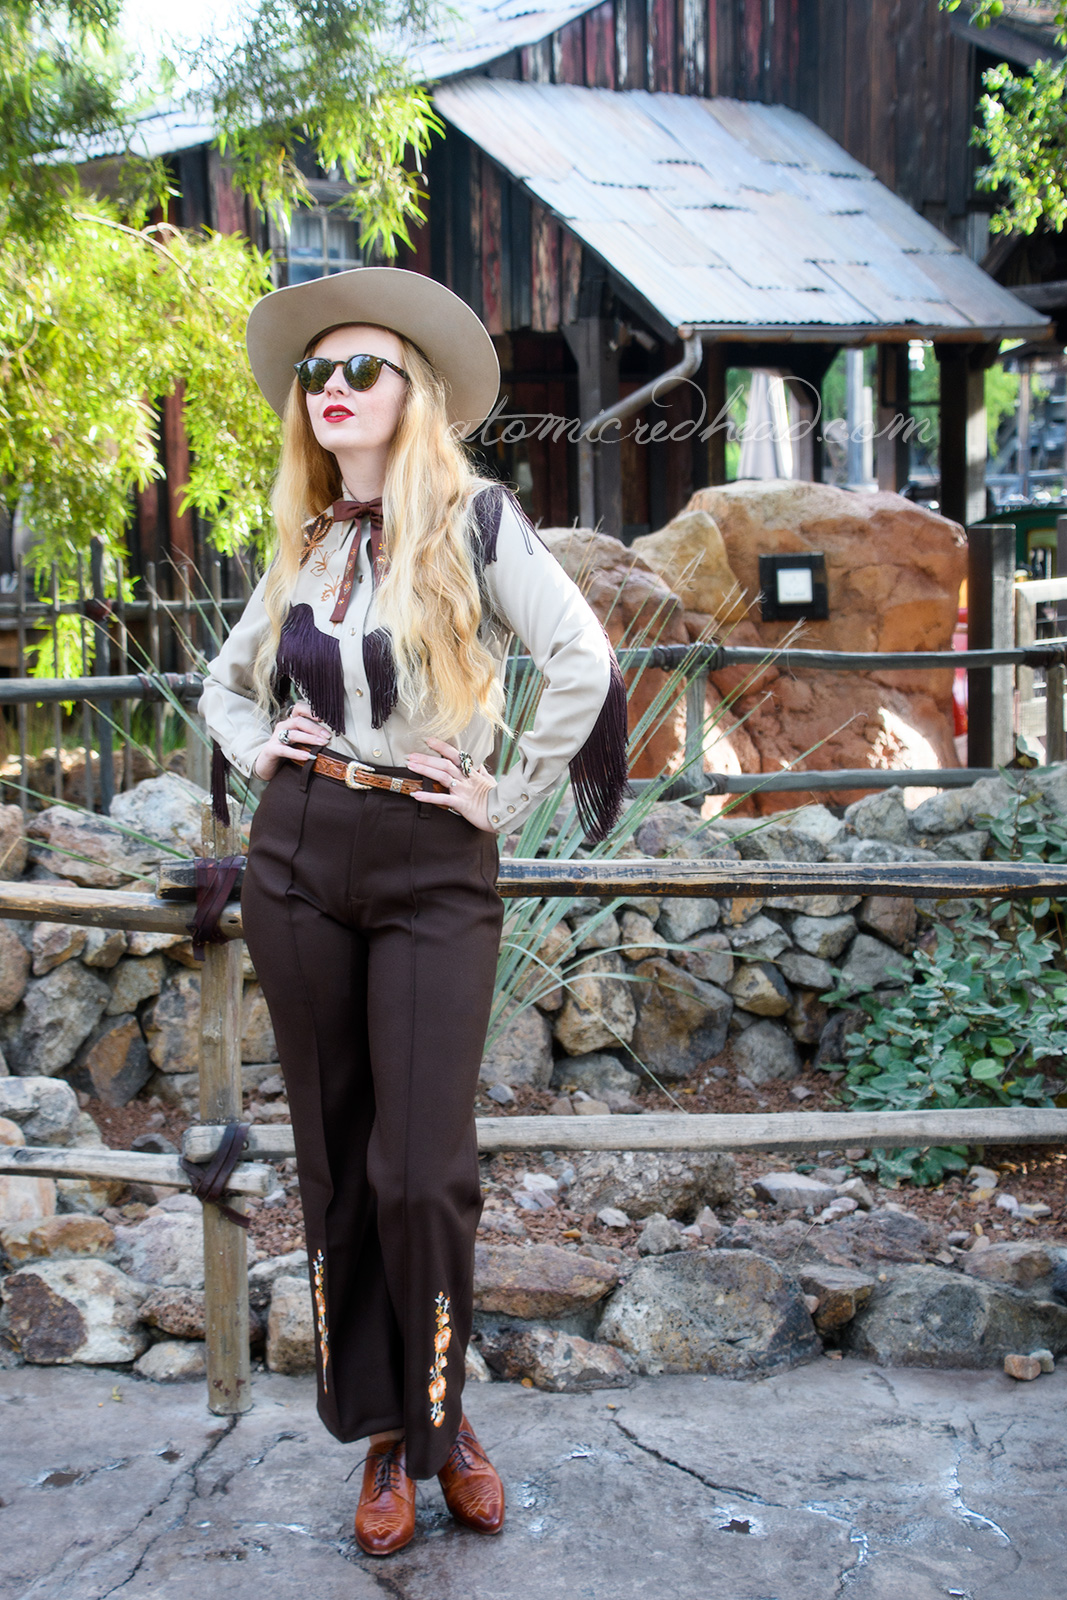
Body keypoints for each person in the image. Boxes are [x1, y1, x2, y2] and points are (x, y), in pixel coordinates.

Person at [198, 266, 628, 1558]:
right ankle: (385, 1433)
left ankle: (444, 1418)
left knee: (421, 1171)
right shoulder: (314, 540)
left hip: (435, 860)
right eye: (316, 375)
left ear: (414, 394)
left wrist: (506, 795)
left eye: (359, 370)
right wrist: (265, 744)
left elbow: (584, 659)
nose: (331, 391)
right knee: (337, 1163)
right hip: (297, 860)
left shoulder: (478, 523)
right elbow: (222, 683)